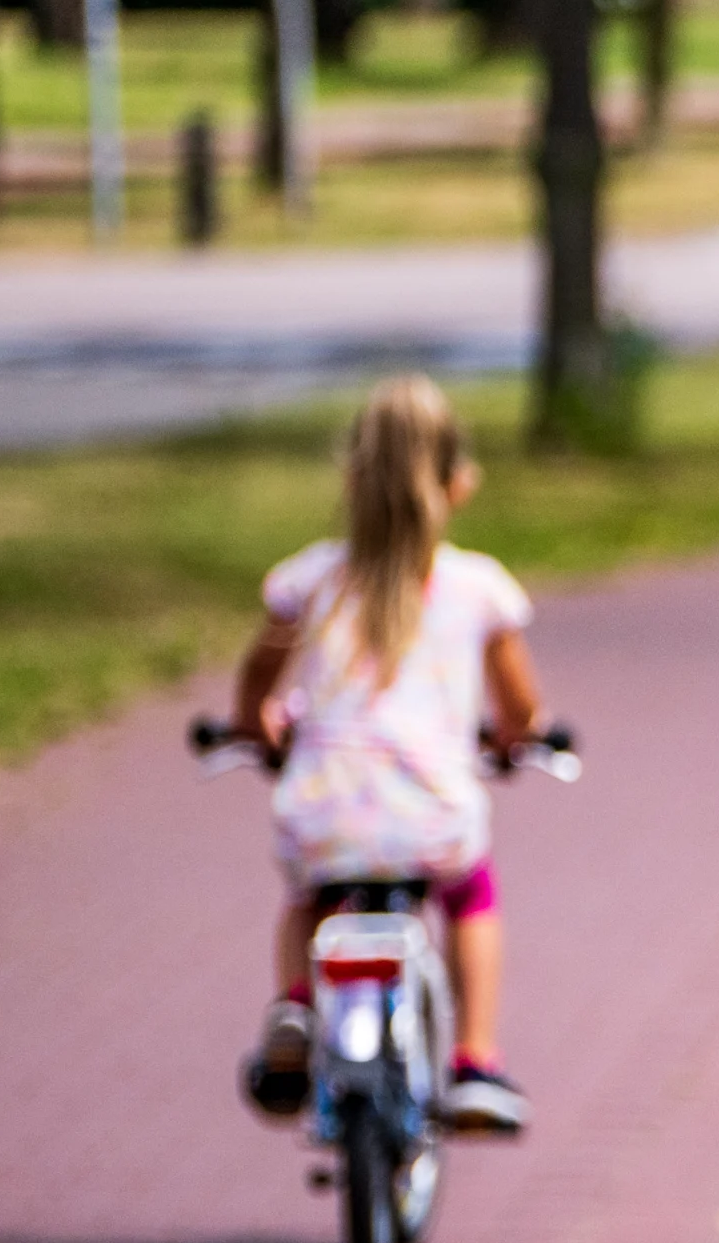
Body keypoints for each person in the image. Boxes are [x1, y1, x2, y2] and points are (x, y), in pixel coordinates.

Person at [233, 375, 547, 1136]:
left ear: (350, 480)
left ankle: (295, 1005)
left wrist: (254, 722)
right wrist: (516, 738)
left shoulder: (310, 580)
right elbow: (520, 709)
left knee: (308, 896)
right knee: (471, 895)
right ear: (459, 484)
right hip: (429, 813)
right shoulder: (477, 589)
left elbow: (258, 679)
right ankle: (474, 1059)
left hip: (327, 808)